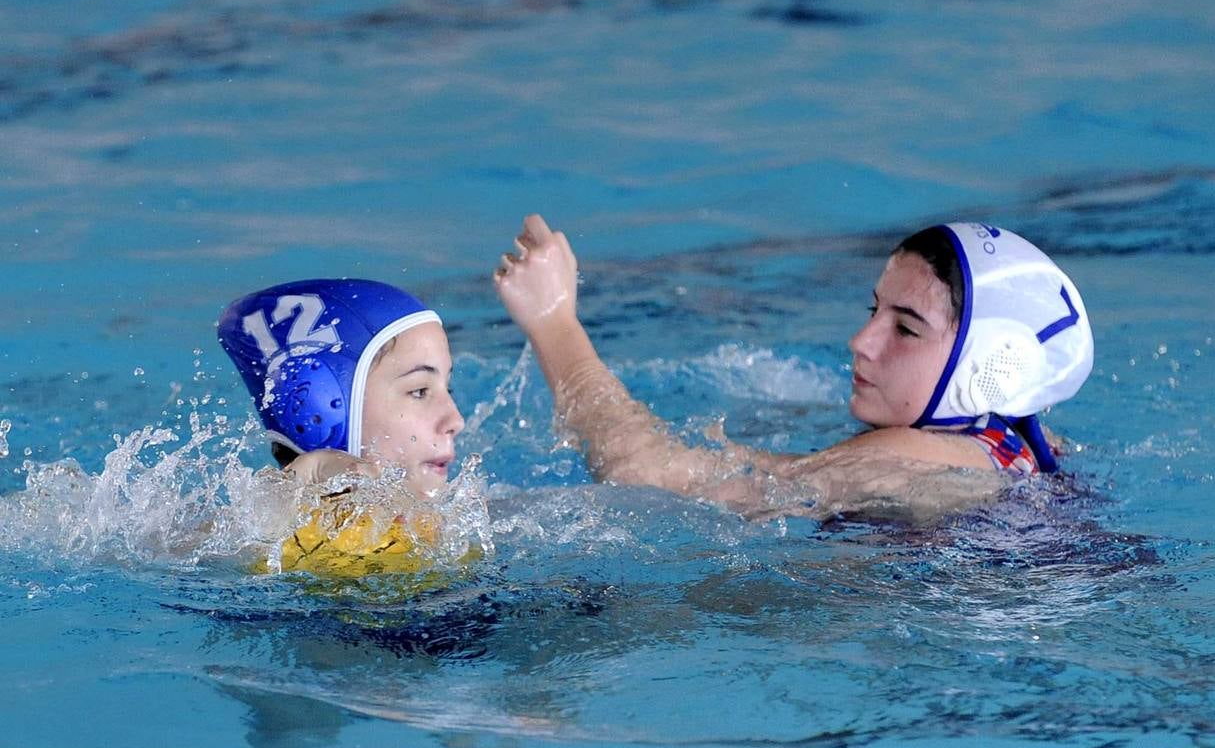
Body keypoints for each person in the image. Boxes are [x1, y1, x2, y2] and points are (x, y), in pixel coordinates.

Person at [493, 215, 1093, 521]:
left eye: (905, 329)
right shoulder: (1025, 441)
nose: (861, 341)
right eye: (873, 310)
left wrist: (554, 323)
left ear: (992, 368)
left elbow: (646, 476)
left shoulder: (912, 458)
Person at [217, 279, 469, 575]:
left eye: (447, 389)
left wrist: (539, 317)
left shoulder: (450, 521)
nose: (456, 421)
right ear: (319, 408)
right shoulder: (265, 541)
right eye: (419, 391)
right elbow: (178, 547)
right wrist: (304, 478)